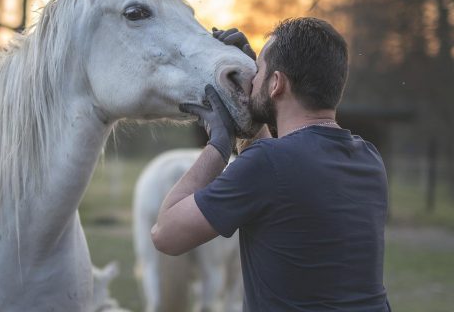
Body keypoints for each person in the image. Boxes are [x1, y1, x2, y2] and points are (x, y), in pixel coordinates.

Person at [151, 17, 391, 311]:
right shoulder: (369, 159)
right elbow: (277, 165)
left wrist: (218, 144)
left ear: (276, 83)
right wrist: (253, 96)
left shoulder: (268, 164)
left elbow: (166, 234)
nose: (253, 80)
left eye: (259, 72)